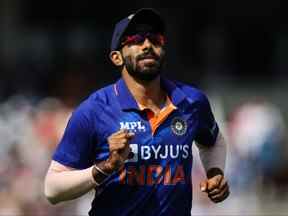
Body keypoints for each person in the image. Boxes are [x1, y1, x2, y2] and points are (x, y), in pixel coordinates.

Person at [44, 8, 230, 216]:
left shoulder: (192, 101)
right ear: (117, 57)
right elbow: (52, 188)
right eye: (135, 39)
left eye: (155, 39)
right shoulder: (94, 110)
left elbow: (213, 141)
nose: (147, 45)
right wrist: (105, 167)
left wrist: (214, 172)